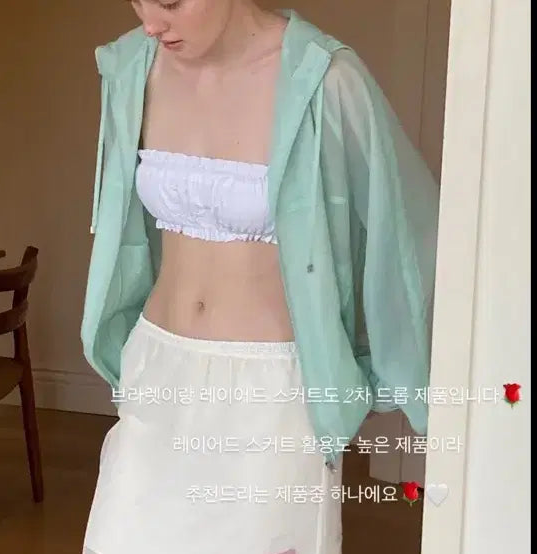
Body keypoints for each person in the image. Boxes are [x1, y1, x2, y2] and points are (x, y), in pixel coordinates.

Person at [80, 1, 440, 553]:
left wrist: (390, 373)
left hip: (271, 397)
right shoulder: (131, 69)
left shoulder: (324, 78)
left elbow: (408, 237)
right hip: (156, 372)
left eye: (171, 2)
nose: (151, 22)